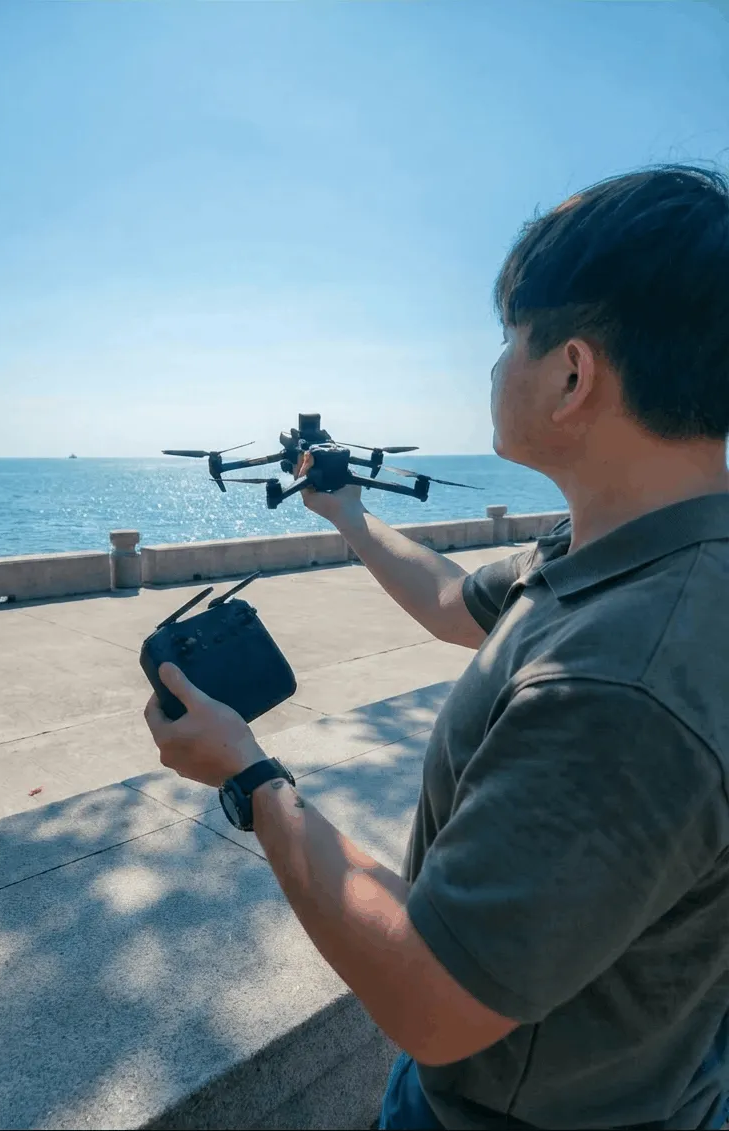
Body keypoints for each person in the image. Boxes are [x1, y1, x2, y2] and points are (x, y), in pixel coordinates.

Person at [144, 164, 729, 1130]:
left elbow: (431, 1002)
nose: (496, 366)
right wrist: (350, 514)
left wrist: (247, 775)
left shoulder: (625, 680)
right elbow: (456, 601)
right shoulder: (631, 546)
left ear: (573, 373)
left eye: (511, 340)